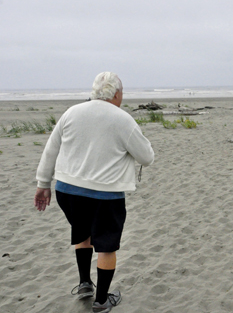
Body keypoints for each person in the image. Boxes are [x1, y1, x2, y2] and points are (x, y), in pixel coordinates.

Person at [34, 72, 154, 313]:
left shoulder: (72, 113)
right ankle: (101, 301)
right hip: (105, 195)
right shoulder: (123, 119)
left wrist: (42, 184)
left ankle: (84, 284)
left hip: (67, 191)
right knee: (106, 245)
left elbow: (51, 149)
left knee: (82, 233)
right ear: (117, 94)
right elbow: (147, 157)